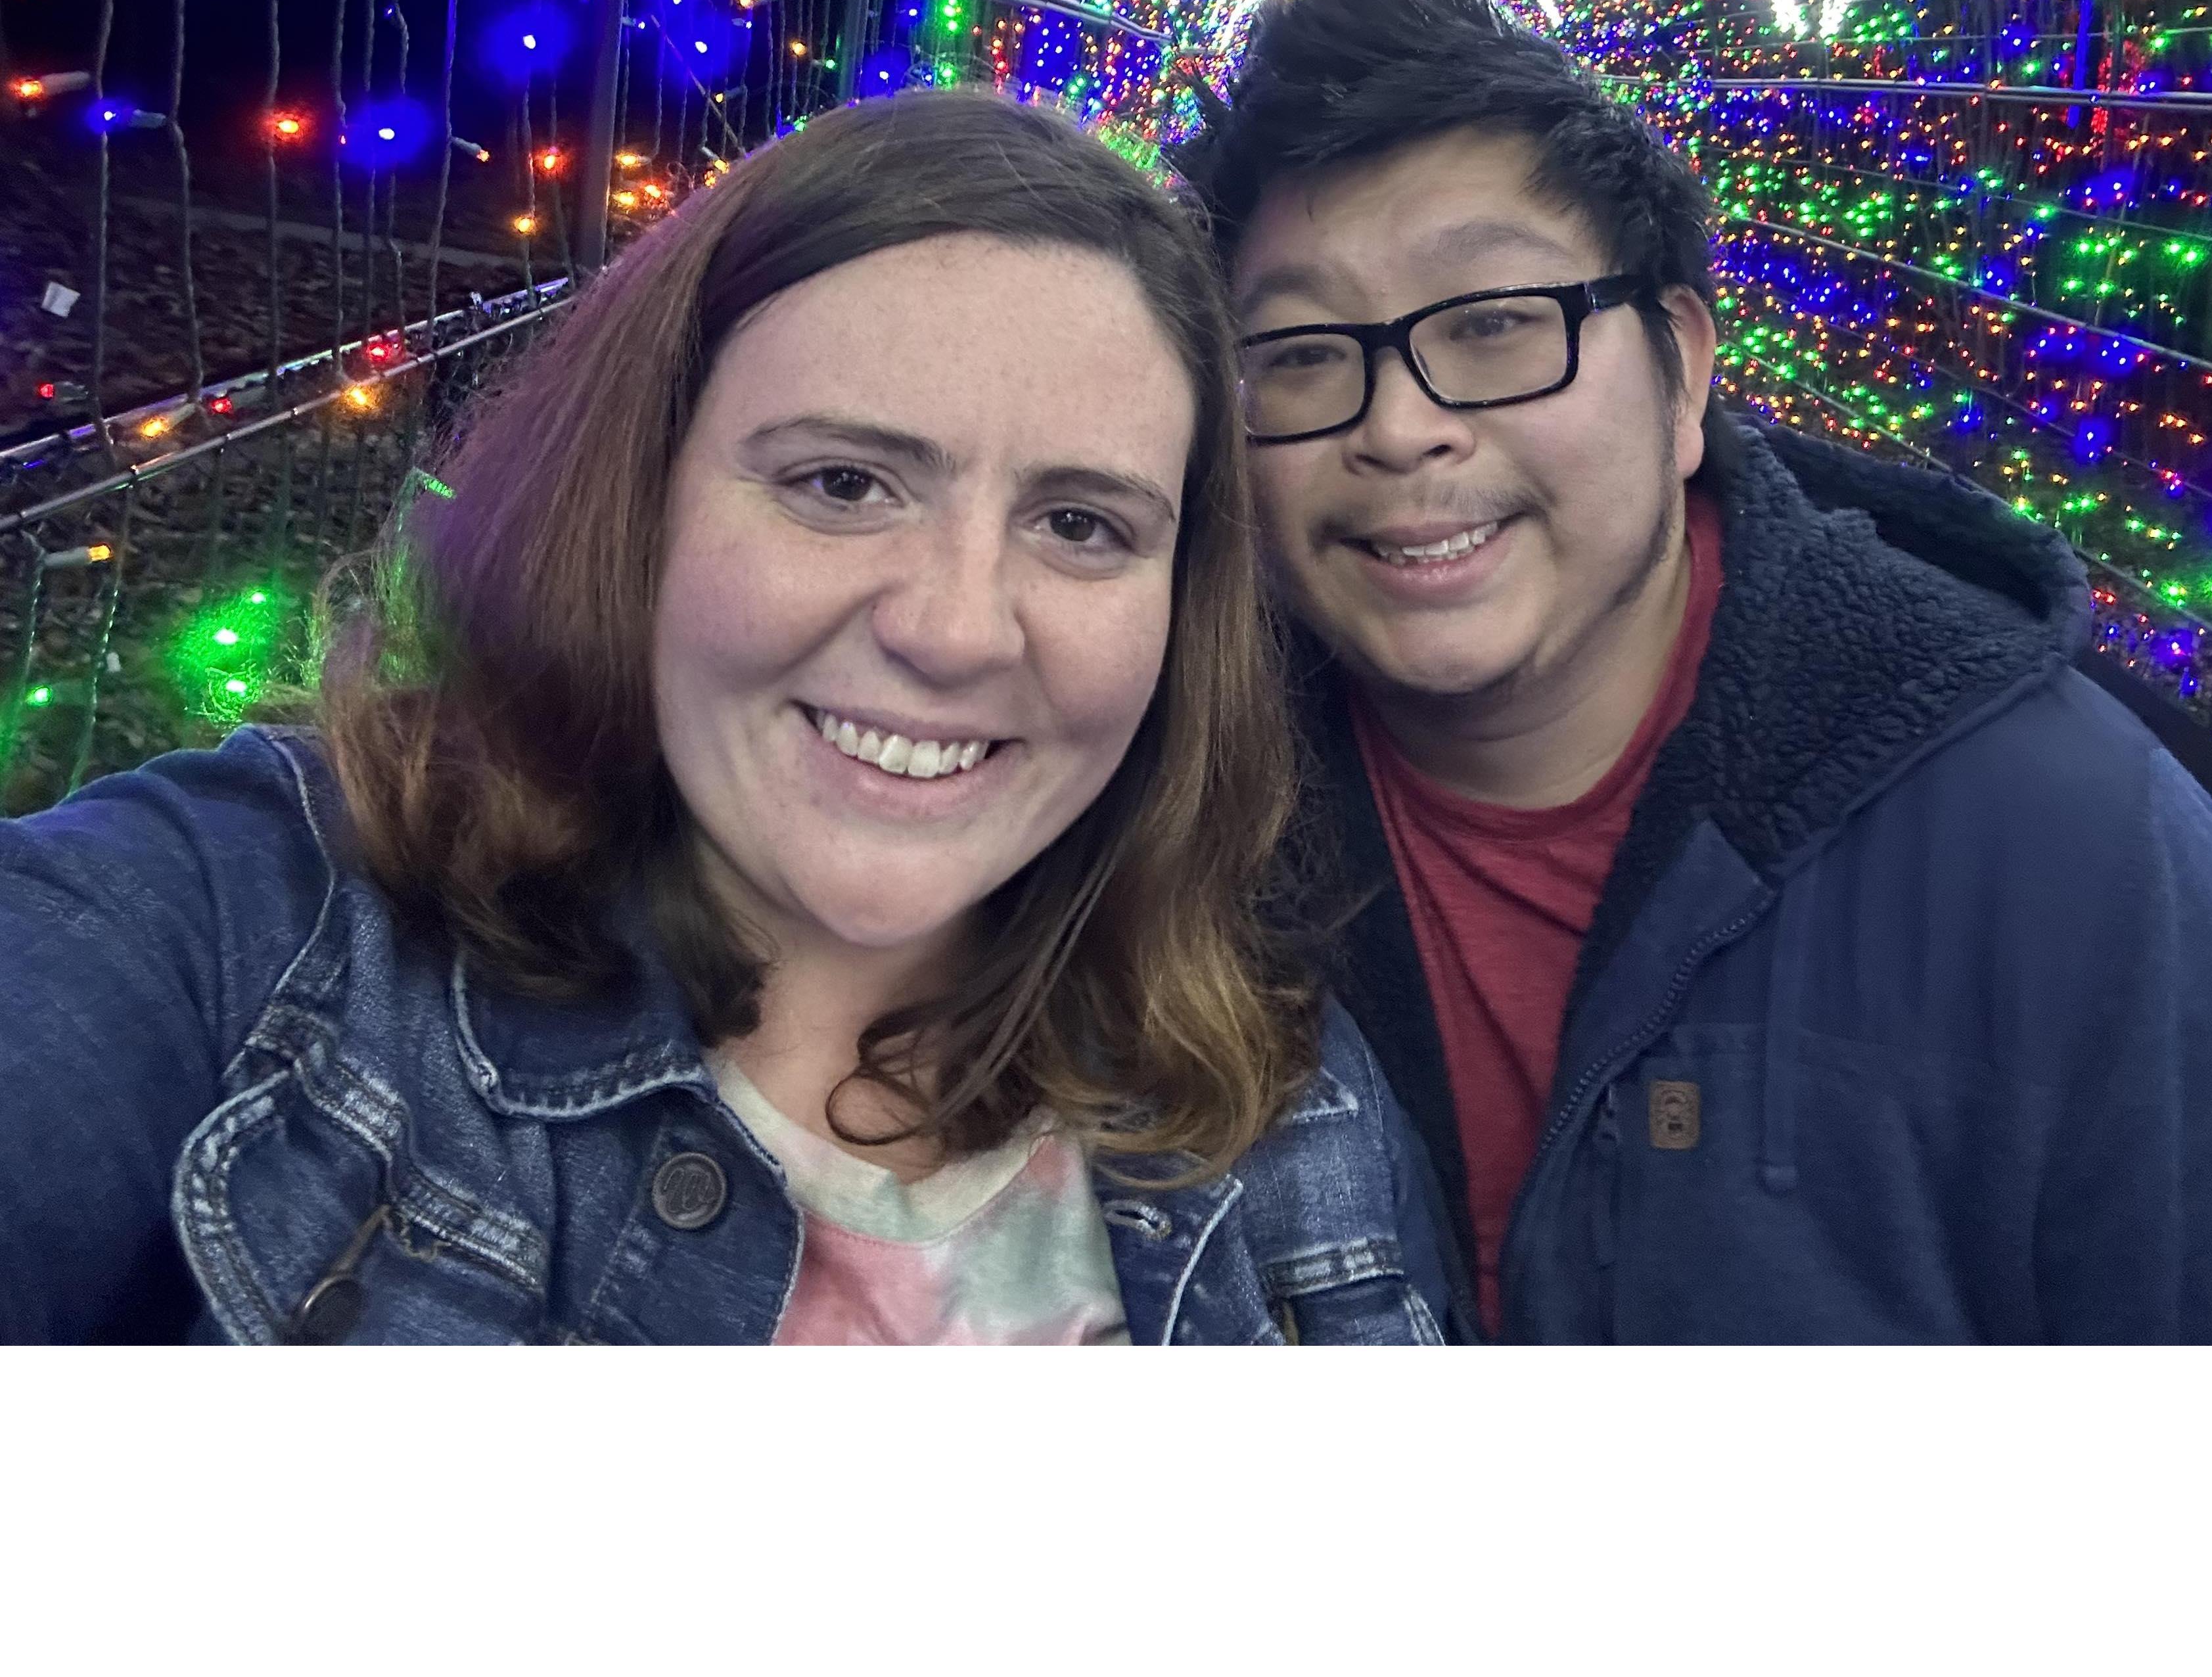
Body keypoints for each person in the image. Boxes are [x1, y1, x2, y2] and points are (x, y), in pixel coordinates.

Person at [0, 89, 1450, 1346]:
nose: (952, 628)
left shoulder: (1286, 1106)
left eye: (1080, 523)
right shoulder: (258, 928)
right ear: (642, 497)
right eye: (840, 484)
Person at [1175, 0, 2212, 1344]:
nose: (1402, 427)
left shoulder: (2061, 844)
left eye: (1495, 327)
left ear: (1682, 372)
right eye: (1299, 354)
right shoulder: (1172, 826)